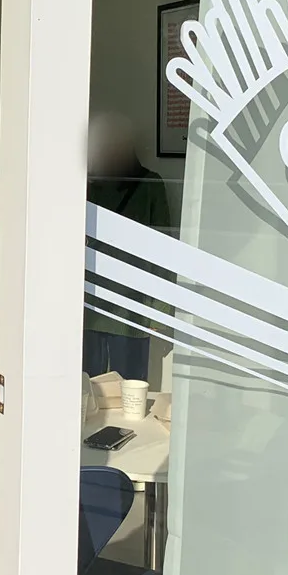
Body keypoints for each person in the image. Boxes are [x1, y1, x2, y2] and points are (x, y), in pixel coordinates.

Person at [83, 112, 173, 381]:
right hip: (100, 307)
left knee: (113, 390)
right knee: (98, 390)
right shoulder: (87, 185)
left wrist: (161, 312)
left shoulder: (148, 185)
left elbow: (162, 251)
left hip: (127, 309)